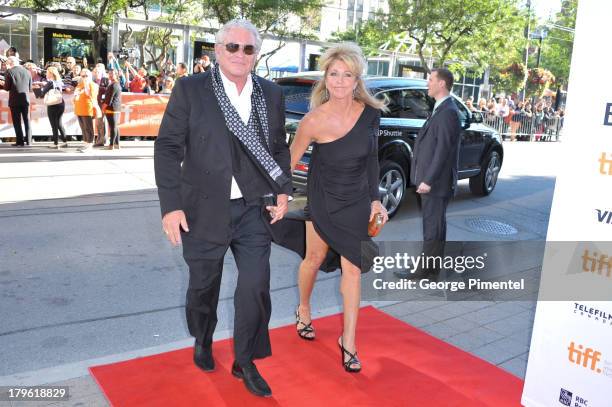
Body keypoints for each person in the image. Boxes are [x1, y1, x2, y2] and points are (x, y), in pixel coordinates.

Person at [154, 18, 292, 398]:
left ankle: (244, 360)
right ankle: (203, 335)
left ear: (256, 55)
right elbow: (167, 147)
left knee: (255, 284)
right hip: (201, 209)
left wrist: (282, 190)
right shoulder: (191, 89)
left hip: (253, 208)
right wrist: (170, 207)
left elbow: (277, 147)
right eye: (232, 46)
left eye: (248, 49)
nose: (240, 54)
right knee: (203, 287)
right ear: (217, 50)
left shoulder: (271, 93)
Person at [280, 43, 388, 374]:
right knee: (313, 259)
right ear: (325, 78)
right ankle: (303, 308)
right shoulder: (313, 121)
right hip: (323, 201)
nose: (340, 81)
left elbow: (372, 159)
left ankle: (349, 343)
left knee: (352, 270)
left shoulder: (370, 114)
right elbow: (289, 162)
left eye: (347, 75)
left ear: (357, 80)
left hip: (356, 202)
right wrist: (276, 196)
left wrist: (374, 197)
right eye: (334, 74)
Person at [399, 68, 461, 279]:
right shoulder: (442, 109)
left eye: (431, 80)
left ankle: (424, 270)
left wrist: (428, 180)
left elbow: (443, 150)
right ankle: (432, 268)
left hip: (435, 183)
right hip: (434, 181)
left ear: (442, 84)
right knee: (435, 225)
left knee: (432, 227)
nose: (428, 83)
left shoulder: (448, 112)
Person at [3, 56, 32, 147]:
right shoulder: (27, 71)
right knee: (27, 120)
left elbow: (7, 88)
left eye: (7, 62)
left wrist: (3, 83)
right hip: (25, 99)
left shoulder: (10, 72)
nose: (7, 64)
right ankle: (29, 141)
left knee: (17, 121)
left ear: (11, 62)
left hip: (14, 100)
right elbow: (30, 87)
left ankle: (20, 141)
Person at [37, 66, 67, 149]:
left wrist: (38, 89)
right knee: (59, 123)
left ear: (50, 74)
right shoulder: (60, 82)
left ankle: (56, 143)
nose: (46, 74)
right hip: (61, 103)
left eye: (47, 72)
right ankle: (64, 141)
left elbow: (42, 93)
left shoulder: (50, 83)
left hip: (52, 104)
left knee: (54, 124)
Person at [73, 68, 98, 152]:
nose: (84, 77)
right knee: (83, 127)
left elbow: (92, 96)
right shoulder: (80, 85)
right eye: (83, 76)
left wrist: (86, 86)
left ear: (90, 76)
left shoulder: (92, 84)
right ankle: (85, 144)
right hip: (79, 109)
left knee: (88, 128)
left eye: (86, 75)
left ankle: (90, 144)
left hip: (87, 109)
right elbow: (75, 95)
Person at [102, 69, 122, 150]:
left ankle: (111, 145)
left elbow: (108, 100)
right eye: (109, 73)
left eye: (112, 74)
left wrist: (103, 108)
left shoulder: (114, 85)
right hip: (115, 107)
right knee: (115, 126)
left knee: (113, 127)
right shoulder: (115, 84)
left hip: (111, 108)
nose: (110, 75)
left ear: (116, 75)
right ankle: (117, 144)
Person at [92, 64, 110, 147]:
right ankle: (99, 139)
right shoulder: (93, 81)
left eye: (98, 72)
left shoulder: (105, 80)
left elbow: (109, 91)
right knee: (98, 123)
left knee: (102, 122)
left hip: (103, 104)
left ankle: (103, 140)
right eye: (95, 71)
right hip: (95, 103)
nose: (96, 73)